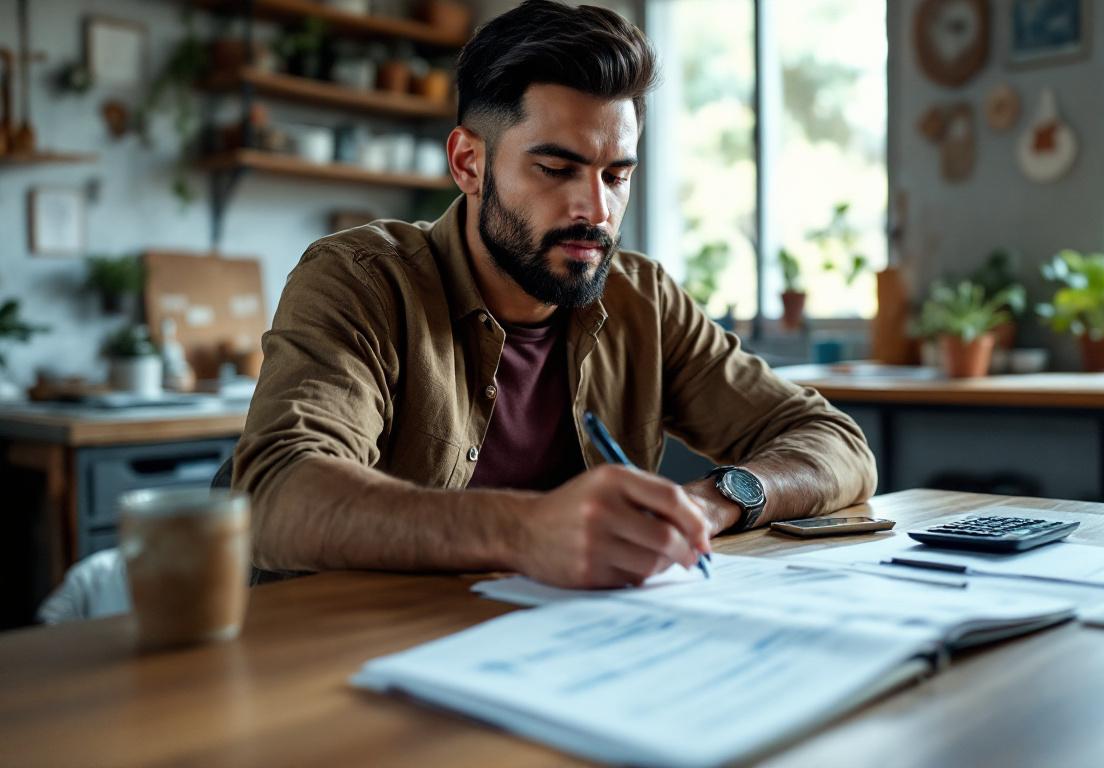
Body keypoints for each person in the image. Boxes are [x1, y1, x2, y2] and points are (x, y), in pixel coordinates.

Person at [234, 0, 876, 589]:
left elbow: (833, 441)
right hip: (355, 652)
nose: (595, 210)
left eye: (616, 176)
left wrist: (714, 502)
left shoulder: (643, 300)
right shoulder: (362, 278)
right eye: (556, 169)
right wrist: (525, 530)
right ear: (468, 164)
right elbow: (276, 495)